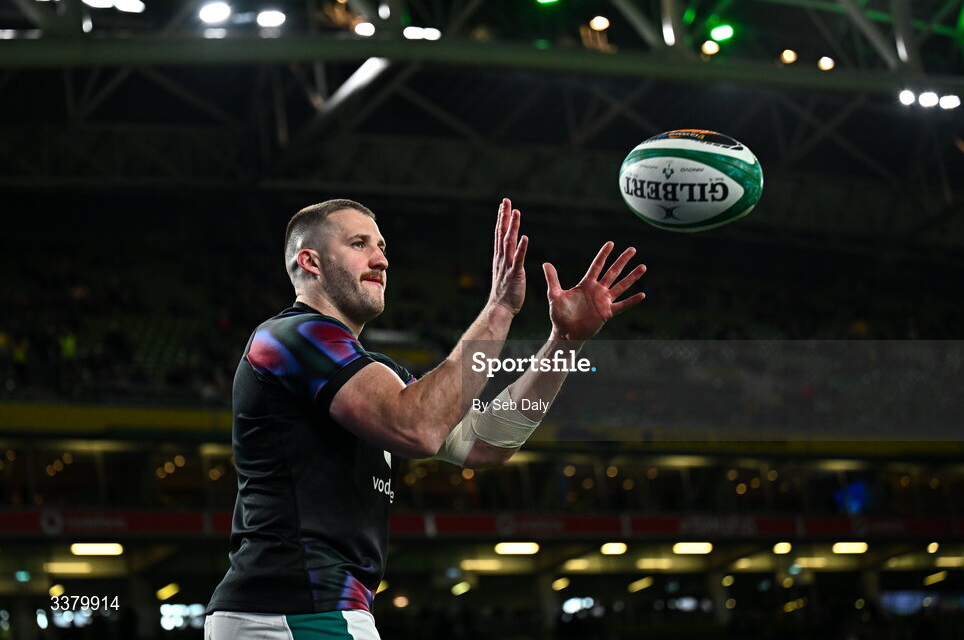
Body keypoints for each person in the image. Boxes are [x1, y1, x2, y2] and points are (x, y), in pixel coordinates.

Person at [205, 198, 645, 639]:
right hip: (294, 610)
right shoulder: (293, 336)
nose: (380, 259)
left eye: (381, 246)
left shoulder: (376, 375)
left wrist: (563, 343)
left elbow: (487, 441)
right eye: (359, 243)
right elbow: (418, 429)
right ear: (310, 262)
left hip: (301, 610)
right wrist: (498, 309)